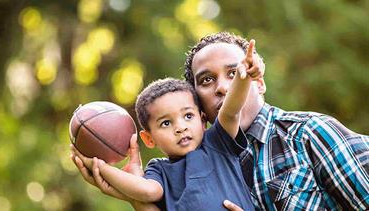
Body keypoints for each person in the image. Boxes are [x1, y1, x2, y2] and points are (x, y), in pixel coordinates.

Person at [72, 32, 369, 210]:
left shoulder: (310, 135)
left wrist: (245, 74)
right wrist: (124, 187)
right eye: (206, 80)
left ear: (258, 80)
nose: (223, 88)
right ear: (199, 104)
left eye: (234, 73)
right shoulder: (182, 167)